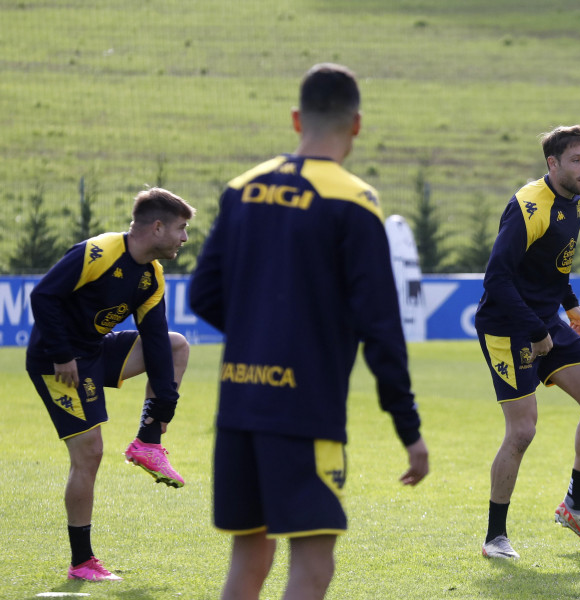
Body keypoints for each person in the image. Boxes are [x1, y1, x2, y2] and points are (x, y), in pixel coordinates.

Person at [189, 63, 429, 600]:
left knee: (249, 559)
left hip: (239, 405)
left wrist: (261, 330)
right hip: (304, 410)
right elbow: (381, 328)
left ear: (297, 117)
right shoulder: (353, 200)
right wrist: (408, 428)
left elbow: (202, 294)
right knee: (314, 565)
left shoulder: (242, 188)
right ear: (358, 124)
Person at [26, 187, 196, 581]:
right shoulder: (98, 252)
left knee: (174, 346)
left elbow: (154, 340)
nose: (185, 238)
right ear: (157, 227)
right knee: (89, 453)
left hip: (94, 352)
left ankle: (148, 443)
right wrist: (62, 354)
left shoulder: (152, 275)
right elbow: (44, 296)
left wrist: (165, 405)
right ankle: (82, 562)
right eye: (181, 229)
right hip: (58, 362)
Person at [475, 125, 580, 559]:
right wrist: (537, 334)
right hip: (506, 325)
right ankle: (495, 537)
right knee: (522, 431)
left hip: (545, 319)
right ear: (552, 164)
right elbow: (497, 278)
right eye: (577, 160)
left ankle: (576, 506)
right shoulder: (528, 206)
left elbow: (555, 267)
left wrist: (569, 303)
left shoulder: (577, 200)